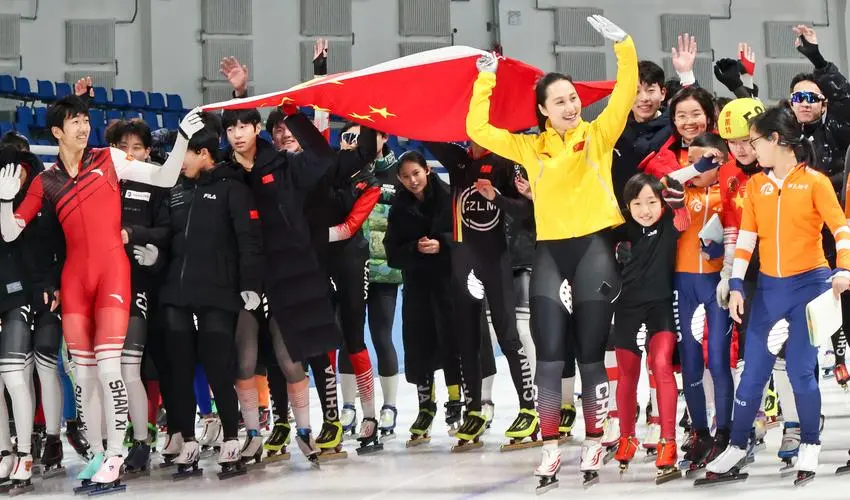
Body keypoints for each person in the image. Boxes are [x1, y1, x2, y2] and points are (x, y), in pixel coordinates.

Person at [466, 14, 637, 488]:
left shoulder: (598, 136)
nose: (571, 105)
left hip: (594, 249)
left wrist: (624, 45)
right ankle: (549, 448)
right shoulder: (529, 148)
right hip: (550, 254)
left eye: (573, 98)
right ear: (542, 109)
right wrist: (485, 78)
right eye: (560, 101)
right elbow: (477, 127)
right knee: (549, 354)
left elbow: (626, 92)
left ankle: (595, 440)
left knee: (590, 352)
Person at [0, 95, 203, 491]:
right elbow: (9, 232)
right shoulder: (45, 180)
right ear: (57, 131)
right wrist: (6, 200)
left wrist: (181, 138)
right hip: (75, 282)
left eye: (85, 119)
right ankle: (95, 453)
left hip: (113, 275)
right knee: (84, 376)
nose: (83, 127)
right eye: (74, 121)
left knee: (110, 370)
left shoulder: (109, 158)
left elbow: (165, 178)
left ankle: (116, 453)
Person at [703, 106, 850, 486]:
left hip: (810, 287)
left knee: (801, 371)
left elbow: (841, 228)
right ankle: (737, 445)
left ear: (776, 140)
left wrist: (844, 269)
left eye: (754, 141)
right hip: (769, 290)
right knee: (753, 373)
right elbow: (746, 239)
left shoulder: (815, 182)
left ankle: (810, 443)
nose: (751, 149)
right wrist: (737, 284)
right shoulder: (756, 186)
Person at [159, 114, 263, 478]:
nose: (178, 161)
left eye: (184, 154)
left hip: (218, 292)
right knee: (179, 368)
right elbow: (167, 235)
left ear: (203, 153)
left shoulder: (233, 188)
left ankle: (232, 437)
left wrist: (251, 283)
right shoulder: (176, 189)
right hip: (176, 291)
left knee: (219, 366)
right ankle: (187, 439)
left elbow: (249, 239)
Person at [423, 140, 535, 449]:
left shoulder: (505, 161)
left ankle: (529, 408)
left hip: (495, 261)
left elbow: (526, 210)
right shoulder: (458, 160)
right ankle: (473, 410)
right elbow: (425, 134)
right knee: (467, 339)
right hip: (463, 261)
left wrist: (496, 197)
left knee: (508, 335)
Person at [609, 168, 703, 481]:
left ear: (661, 203)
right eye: (637, 204)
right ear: (627, 206)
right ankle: (627, 436)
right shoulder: (619, 228)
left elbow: (684, 221)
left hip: (660, 306)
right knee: (627, 372)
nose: (645, 210)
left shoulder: (669, 220)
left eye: (651, 202)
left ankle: (668, 441)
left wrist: (679, 200)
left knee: (661, 365)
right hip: (626, 307)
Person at [104, 118, 171, 473]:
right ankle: (110, 442)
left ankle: (143, 440)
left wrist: (145, 246)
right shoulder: (102, 182)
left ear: (147, 152)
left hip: (141, 286)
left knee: (132, 367)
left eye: (136, 148)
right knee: (105, 368)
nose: (129, 154)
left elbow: (167, 230)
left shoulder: (157, 182)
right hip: (101, 287)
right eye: (122, 148)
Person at [383, 151, 458, 446]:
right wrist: (415, 247)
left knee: (451, 341)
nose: (412, 180)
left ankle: (456, 401)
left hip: (447, 282)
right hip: (416, 284)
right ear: (399, 179)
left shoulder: (448, 197)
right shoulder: (399, 207)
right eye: (406, 176)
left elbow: (465, 237)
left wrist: (443, 244)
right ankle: (426, 406)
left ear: (427, 170)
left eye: (416, 173)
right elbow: (391, 252)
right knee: (418, 345)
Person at [669, 133, 732, 473]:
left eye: (703, 161)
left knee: (718, 361)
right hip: (684, 285)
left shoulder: (730, 192)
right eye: (690, 161)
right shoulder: (681, 192)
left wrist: (722, 252)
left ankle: (725, 432)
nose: (695, 167)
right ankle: (700, 432)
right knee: (691, 363)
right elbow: (664, 183)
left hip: (715, 284)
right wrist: (694, 169)